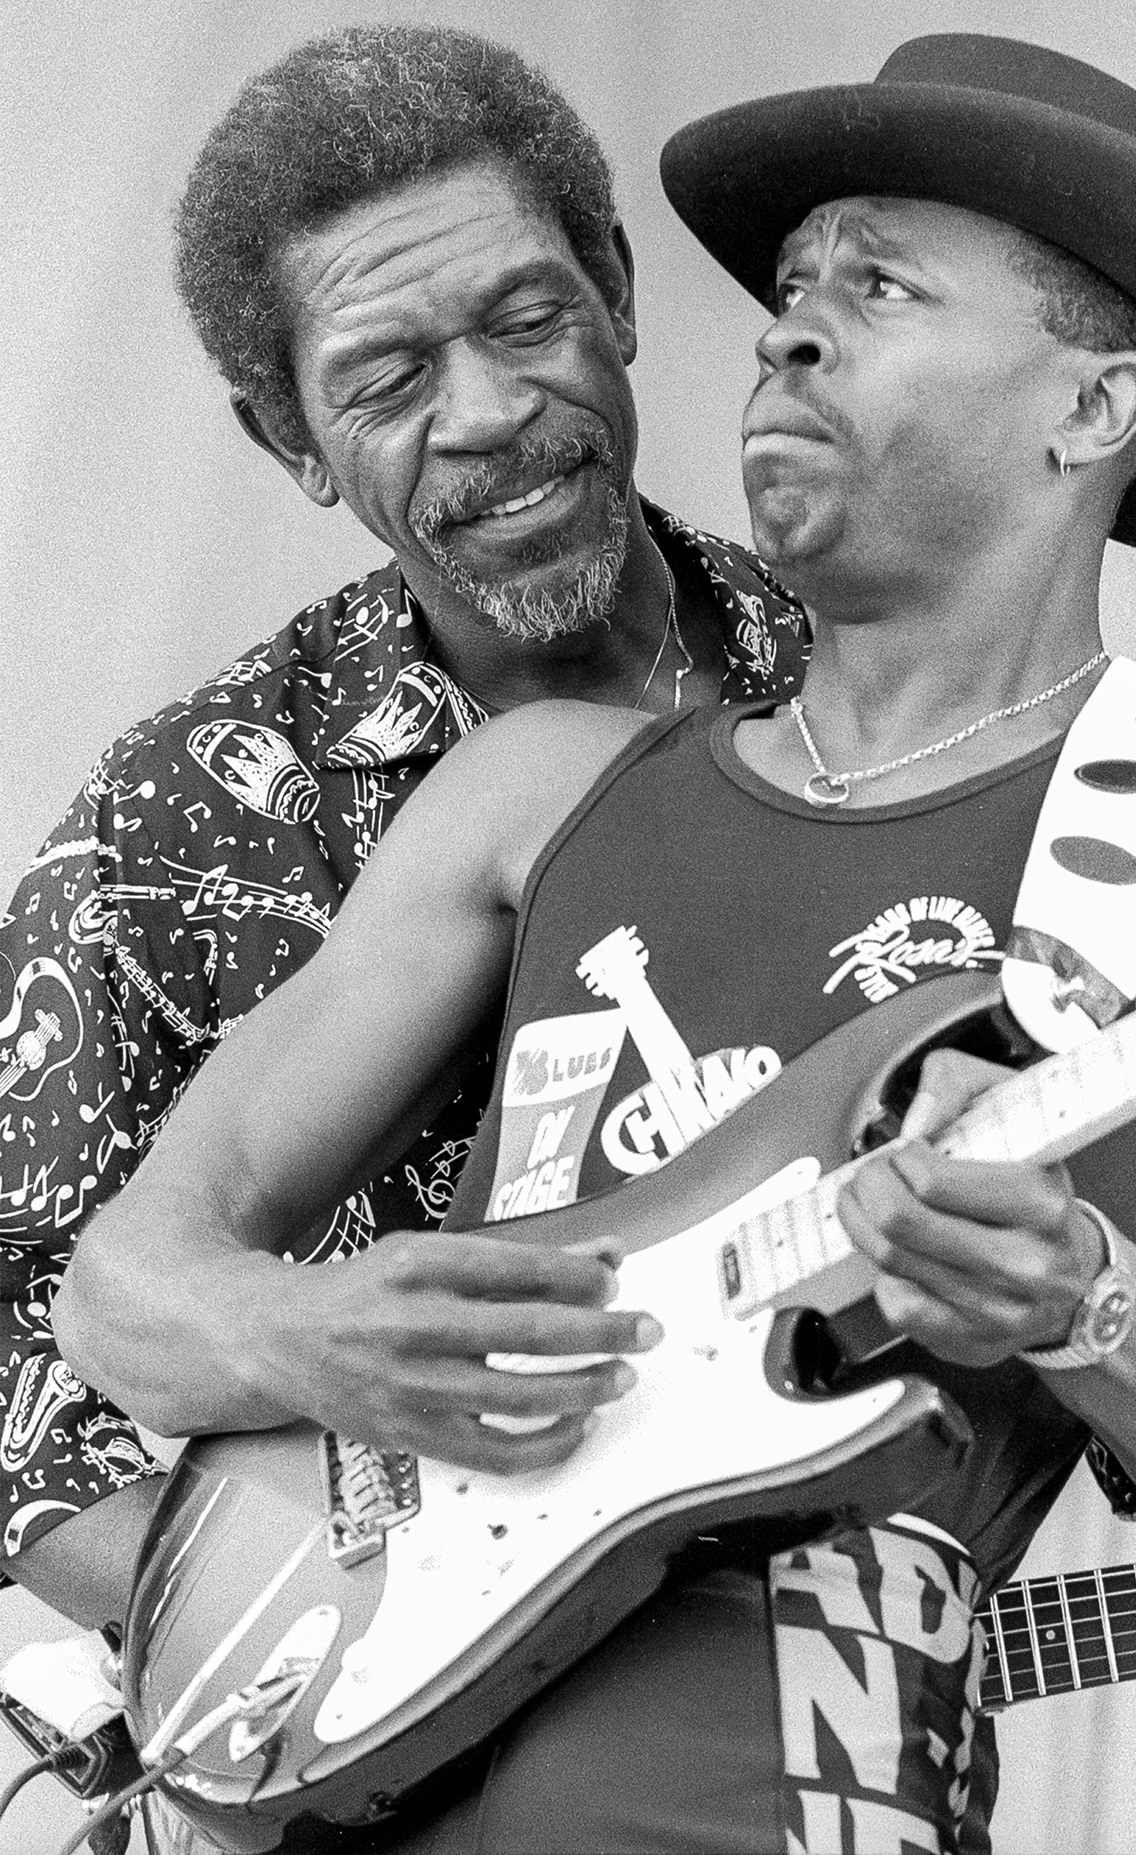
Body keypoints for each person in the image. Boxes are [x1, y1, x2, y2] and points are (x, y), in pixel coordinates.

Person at [53, 31, 1136, 1855]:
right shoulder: (531, 792)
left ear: (1091, 412)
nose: (784, 329)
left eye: (876, 285)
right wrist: (320, 1335)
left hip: (781, 1758)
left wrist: (1094, 1304)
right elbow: (120, 1287)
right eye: (793, 287)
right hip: (345, 1739)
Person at [0, 23, 805, 1626]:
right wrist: (359, 1670)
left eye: (531, 319)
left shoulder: (879, 680)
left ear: (620, 295)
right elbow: (16, 1362)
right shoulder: (173, 825)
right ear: (290, 441)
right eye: (387, 379)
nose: (494, 411)